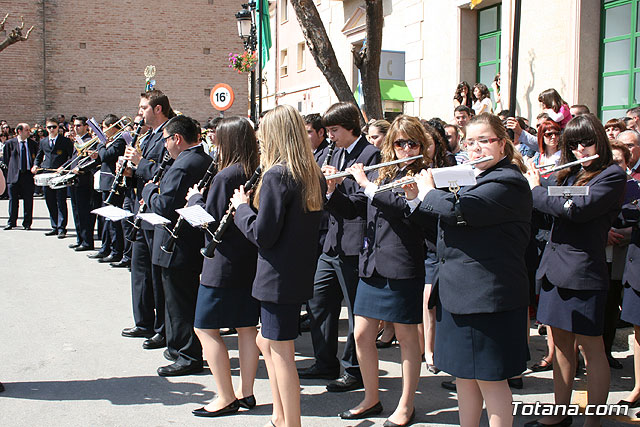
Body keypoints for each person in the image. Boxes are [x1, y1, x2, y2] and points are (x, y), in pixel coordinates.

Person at [411, 113, 532, 426]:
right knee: (464, 376)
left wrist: (427, 191)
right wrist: (414, 198)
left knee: (491, 381)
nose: (476, 148)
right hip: (458, 292)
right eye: (470, 141)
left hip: (487, 297)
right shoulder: (472, 177)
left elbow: (459, 210)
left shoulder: (508, 181)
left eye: (485, 140)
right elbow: (441, 222)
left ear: (502, 143)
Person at [326, 115, 431, 426]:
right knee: (361, 334)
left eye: (412, 143)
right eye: (399, 143)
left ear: (421, 146)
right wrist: (334, 191)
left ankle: (406, 405)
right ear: (391, 145)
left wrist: (367, 186)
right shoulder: (384, 173)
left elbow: (404, 210)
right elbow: (356, 208)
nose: (405, 148)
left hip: (402, 265)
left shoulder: (423, 175)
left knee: (408, 338)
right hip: (372, 264)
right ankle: (371, 396)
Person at [525, 114, 626, 427]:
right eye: (574, 144)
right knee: (563, 348)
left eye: (588, 141)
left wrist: (536, 190)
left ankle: (592, 421)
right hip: (555, 271)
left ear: (600, 141)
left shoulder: (610, 175)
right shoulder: (568, 174)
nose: (582, 148)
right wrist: (536, 189)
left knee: (592, 349)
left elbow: (577, 211)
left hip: (583, 274)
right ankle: (559, 413)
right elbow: (550, 215)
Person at [231, 105, 325, 427]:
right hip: (296, 273)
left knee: (282, 353)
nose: (258, 140)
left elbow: (263, 235)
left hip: (276, 276)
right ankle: (280, 415)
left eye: (262, 134)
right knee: (267, 342)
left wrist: (241, 209)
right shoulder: (312, 173)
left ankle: (291, 422)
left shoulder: (276, 175)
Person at [297, 102, 380, 395]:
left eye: (334, 130)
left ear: (351, 128)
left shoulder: (370, 154)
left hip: (355, 243)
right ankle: (324, 361)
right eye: (328, 130)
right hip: (331, 241)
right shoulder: (336, 152)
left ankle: (355, 370)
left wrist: (334, 188)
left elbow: (360, 204)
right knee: (319, 301)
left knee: (357, 311)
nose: (330, 136)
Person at [187, 116, 261, 417]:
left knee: (204, 327)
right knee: (246, 327)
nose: (214, 142)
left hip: (223, 261)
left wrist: (194, 201)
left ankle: (225, 396)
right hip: (249, 260)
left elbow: (211, 221)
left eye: (218, 137)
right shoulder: (256, 170)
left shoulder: (225, 175)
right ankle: (246, 392)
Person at [142, 115, 212, 376]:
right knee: (182, 300)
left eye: (166, 141)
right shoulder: (202, 158)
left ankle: (187, 355)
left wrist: (149, 190)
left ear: (177, 139)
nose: (165, 147)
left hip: (176, 244)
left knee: (178, 304)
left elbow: (164, 205)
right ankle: (180, 347)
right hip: (187, 242)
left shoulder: (183, 164)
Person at [121, 89, 175, 348]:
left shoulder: (169, 134)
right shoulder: (147, 135)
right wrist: (130, 170)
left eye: (143, 107)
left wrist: (140, 162)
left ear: (158, 109)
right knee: (139, 266)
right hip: (140, 206)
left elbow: (165, 173)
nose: (139, 112)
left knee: (156, 273)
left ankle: (162, 328)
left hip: (157, 209)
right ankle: (143, 321)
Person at [88, 114, 127, 263]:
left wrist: (100, 145)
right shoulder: (112, 141)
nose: (103, 130)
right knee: (105, 219)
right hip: (105, 182)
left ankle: (116, 250)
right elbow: (101, 157)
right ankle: (105, 248)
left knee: (113, 220)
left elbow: (106, 156)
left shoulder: (120, 140)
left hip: (112, 183)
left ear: (113, 127)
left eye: (104, 127)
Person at [33, 118, 73, 237]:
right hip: (47, 173)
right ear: (46, 128)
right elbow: (39, 155)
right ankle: (54, 226)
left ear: (58, 128)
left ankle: (61, 228)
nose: (52, 129)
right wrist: (35, 165)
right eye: (49, 127)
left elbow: (71, 157)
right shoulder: (43, 141)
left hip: (60, 174)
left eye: (54, 127)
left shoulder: (65, 141)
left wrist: (64, 167)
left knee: (60, 201)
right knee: (50, 201)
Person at [67, 117, 98, 251]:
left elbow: (92, 161)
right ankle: (80, 239)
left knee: (85, 212)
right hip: (75, 180)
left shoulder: (90, 141)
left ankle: (87, 241)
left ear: (86, 126)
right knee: (77, 211)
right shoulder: (77, 141)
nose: (76, 128)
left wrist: (80, 169)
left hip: (85, 181)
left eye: (79, 125)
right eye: (74, 126)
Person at [3, 123, 38, 230]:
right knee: (13, 200)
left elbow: (36, 157)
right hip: (14, 175)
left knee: (28, 200)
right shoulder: (10, 143)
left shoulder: (33, 144)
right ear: (19, 131)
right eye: (26, 130)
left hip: (27, 175)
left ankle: (27, 223)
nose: (29, 132)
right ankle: (12, 221)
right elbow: (6, 159)